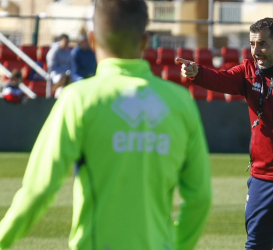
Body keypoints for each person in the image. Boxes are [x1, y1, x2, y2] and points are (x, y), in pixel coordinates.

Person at [0, 1, 212, 250]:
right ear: (145, 41)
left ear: (92, 40)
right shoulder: (180, 102)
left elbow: (39, 189)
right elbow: (200, 199)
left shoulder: (78, 99)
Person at [177, 17, 273, 250]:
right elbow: (222, 79)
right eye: (252, 44)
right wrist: (197, 73)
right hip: (263, 179)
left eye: (262, 44)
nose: (255, 51)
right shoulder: (249, 71)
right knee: (256, 246)